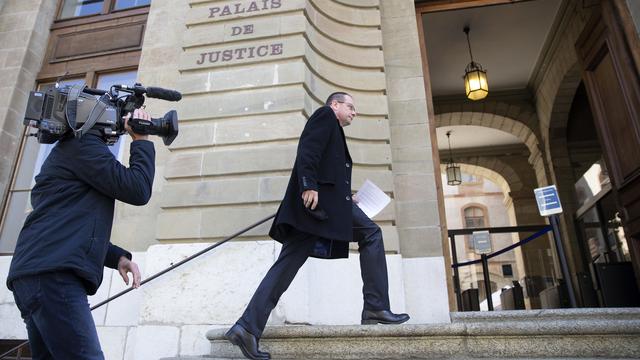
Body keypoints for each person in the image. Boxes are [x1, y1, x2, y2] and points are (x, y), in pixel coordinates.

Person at [226, 92, 409, 360]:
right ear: (334, 105)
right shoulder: (325, 116)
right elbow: (308, 149)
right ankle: (375, 306)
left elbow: (327, 169)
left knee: (283, 269)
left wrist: (349, 198)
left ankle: (246, 327)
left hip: (325, 209)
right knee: (372, 233)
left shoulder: (334, 127)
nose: (354, 113)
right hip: (316, 208)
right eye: (350, 107)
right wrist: (308, 185)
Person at [6, 108, 155, 360]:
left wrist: (117, 257)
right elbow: (137, 189)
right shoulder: (82, 145)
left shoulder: (69, 152)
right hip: (54, 275)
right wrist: (141, 141)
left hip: (36, 274)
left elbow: (71, 226)